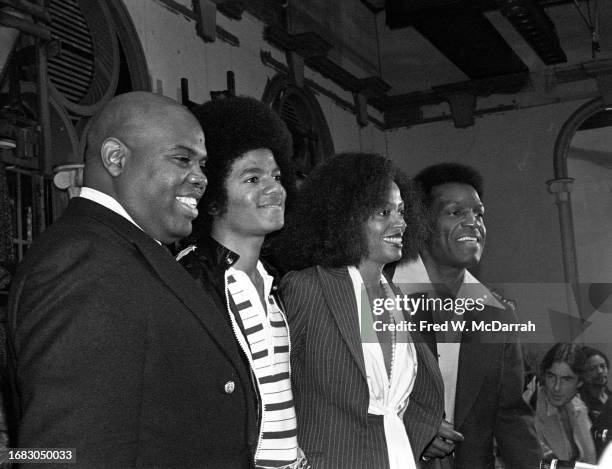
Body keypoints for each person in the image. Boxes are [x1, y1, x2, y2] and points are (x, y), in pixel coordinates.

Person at [5, 91, 259, 468]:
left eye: (202, 164)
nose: (201, 178)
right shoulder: (83, 262)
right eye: (182, 159)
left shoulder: (124, 252)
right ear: (116, 158)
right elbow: (64, 453)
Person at [277, 152, 448, 469]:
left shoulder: (399, 301)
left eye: (401, 210)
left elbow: (399, 405)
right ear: (346, 218)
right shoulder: (307, 288)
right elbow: (272, 392)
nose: (401, 223)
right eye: (384, 212)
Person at [177, 96, 306, 469]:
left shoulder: (274, 280)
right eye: (252, 178)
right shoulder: (191, 279)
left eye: (277, 176)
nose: (274, 188)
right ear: (213, 197)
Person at [391, 162, 541, 468]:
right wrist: (417, 428)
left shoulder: (497, 314)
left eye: (479, 213)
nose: (473, 223)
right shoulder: (380, 296)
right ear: (420, 222)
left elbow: (511, 414)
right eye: (455, 212)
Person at [534, 343, 596, 464]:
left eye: (566, 379)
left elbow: (590, 460)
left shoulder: (579, 406)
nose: (556, 387)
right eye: (551, 376)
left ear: (580, 382)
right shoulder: (530, 410)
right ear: (544, 375)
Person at [579, 347, 611, 423]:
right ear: (582, 374)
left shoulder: (609, 396)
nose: (600, 371)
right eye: (592, 369)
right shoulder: (580, 403)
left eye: (603, 366)